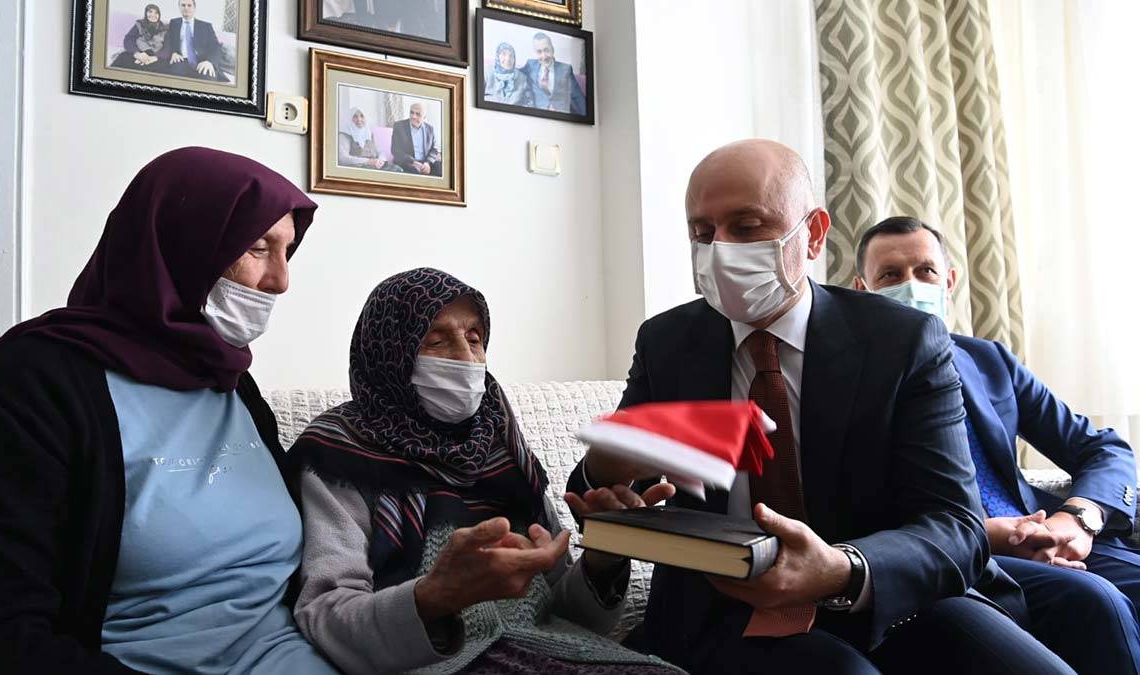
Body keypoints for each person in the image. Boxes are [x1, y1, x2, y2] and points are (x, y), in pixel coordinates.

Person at [565, 139, 1074, 674]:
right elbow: (600, 490)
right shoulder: (668, 342)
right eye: (703, 233)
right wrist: (614, 463)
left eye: (746, 227)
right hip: (726, 609)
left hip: (885, 593)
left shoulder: (902, 341)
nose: (721, 249)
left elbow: (955, 523)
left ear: (812, 234)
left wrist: (840, 568)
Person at [0, 147, 339, 675]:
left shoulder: (229, 378)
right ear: (181, 242)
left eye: (288, 251)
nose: (281, 280)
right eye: (257, 248)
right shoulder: (33, 381)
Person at [289, 268, 682, 674]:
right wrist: (433, 597)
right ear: (390, 353)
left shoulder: (500, 443)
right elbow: (325, 616)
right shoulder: (339, 453)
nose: (465, 357)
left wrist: (603, 561)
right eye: (436, 341)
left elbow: (567, 617)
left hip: (553, 654)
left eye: (475, 339)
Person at [854, 215, 1140, 674]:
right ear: (862, 289)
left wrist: (1077, 520)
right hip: (963, 555)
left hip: (1053, 533)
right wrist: (988, 536)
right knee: (1096, 601)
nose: (911, 285)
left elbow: (1102, 448)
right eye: (890, 275)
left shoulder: (987, 360)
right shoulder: (851, 381)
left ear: (949, 281)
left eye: (925, 271)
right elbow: (858, 508)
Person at [520, 32, 586, 115]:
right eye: (539, 52)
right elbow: (514, 72)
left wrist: (588, 119)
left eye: (546, 50)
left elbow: (578, 97)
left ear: (552, 49)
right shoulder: (530, 65)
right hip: (538, 116)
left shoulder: (565, 70)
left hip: (560, 116)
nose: (544, 56)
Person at [160, 0, 227, 82]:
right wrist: (173, 52)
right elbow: (168, 41)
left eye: (189, 5)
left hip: (202, 62)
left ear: (194, 8)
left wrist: (209, 62)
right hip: (180, 60)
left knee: (208, 79)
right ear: (179, 8)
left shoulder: (206, 26)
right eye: (183, 5)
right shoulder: (174, 23)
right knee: (172, 78)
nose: (186, 8)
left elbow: (215, 46)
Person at [336, 107, 402, 172]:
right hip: (358, 167)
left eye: (362, 116)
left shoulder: (368, 133)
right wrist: (368, 161)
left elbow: (380, 151)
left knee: (397, 169)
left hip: (375, 165)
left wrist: (381, 160)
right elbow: (342, 158)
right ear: (350, 118)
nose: (359, 119)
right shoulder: (344, 135)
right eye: (355, 116)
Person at [110, 4, 168, 72]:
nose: (153, 15)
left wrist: (155, 58)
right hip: (139, 51)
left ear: (159, 15)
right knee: (123, 57)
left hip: (155, 56)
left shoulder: (165, 29)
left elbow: (168, 47)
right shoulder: (140, 24)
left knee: (161, 68)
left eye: (156, 12)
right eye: (150, 12)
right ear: (146, 13)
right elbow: (128, 39)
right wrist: (137, 53)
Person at [391, 103, 442, 177]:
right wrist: (413, 162)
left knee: (441, 169)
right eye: (411, 112)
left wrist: (427, 163)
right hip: (407, 162)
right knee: (415, 171)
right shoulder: (399, 126)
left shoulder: (430, 128)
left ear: (424, 117)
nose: (413, 116)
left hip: (425, 162)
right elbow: (395, 150)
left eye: (418, 114)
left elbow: (434, 149)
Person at [484, 43, 533, 107]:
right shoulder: (487, 73)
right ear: (497, 56)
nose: (508, 59)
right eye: (504, 54)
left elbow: (530, 104)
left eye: (511, 55)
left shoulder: (522, 79)